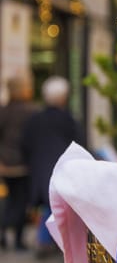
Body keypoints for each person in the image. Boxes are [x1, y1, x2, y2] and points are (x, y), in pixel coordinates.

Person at [21, 76, 83, 257]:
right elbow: (78, 145)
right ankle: (49, 240)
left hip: (39, 169)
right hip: (62, 168)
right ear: (64, 97)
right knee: (58, 205)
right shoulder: (68, 119)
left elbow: (25, 144)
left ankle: (48, 240)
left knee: (48, 205)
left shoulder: (34, 119)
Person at [0, 73, 37, 251]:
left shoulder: (3, 111)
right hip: (24, 165)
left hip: (5, 165)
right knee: (21, 203)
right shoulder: (32, 112)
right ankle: (18, 240)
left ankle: (3, 234)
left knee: (9, 200)